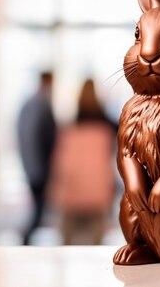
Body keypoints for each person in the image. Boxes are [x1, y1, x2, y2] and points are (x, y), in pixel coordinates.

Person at [50, 78, 117, 245]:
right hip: (98, 188)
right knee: (97, 241)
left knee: (67, 240)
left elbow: (61, 162)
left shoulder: (70, 127)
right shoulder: (108, 127)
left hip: (73, 187)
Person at [17, 71, 57, 245]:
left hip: (32, 164)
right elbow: (46, 139)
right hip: (39, 166)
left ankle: (27, 240)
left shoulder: (30, 104)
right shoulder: (41, 105)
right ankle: (25, 240)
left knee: (39, 207)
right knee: (39, 209)